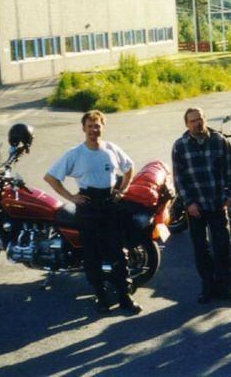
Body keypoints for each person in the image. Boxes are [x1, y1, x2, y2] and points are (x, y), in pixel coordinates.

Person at [44, 110, 141, 315]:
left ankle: (125, 297)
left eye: (97, 126)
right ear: (83, 128)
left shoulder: (111, 149)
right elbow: (51, 177)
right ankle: (102, 298)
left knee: (118, 253)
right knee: (92, 256)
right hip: (88, 208)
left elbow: (129, 167)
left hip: (110, 205)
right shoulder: (75, 153)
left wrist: (121, 190)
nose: (93, 130)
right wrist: (71, 197)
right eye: (90, 126)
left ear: (102, 127)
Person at [172, 107, 231, 305]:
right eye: (193, 121)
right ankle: (208, 288)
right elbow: (179, 179)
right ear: (187, 124)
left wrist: (229, 196)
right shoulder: (180, 145)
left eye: (200, 119)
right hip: (195, 208)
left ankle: (227, 289)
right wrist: (189, 203)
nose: (197, 123)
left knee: (222, 248)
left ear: (205, 119)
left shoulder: (219, 141)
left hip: (218, 204)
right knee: (201, 250)